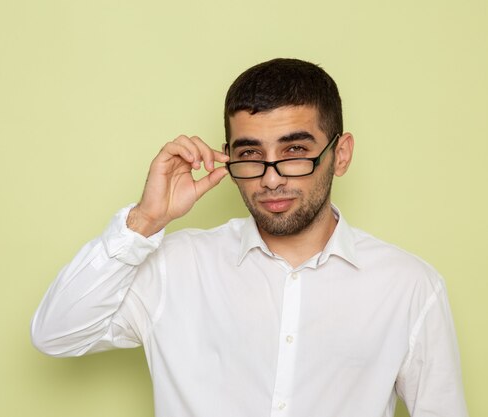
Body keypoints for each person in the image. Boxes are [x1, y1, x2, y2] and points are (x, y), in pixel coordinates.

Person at [31, 58, 468, 417]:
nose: (271, 179)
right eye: (250, 155)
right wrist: (145, 220)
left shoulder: (408, 285)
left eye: (295, 151)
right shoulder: (175, 266)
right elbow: (57, 334)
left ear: (341, 154)